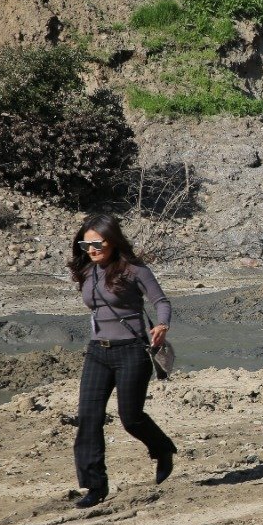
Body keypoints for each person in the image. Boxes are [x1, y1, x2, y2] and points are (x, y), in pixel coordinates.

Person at [67, 214, 177, 508]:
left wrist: (162, 326)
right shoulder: (88, 271)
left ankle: (162, 448)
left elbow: (161, 301)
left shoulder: (134, 269)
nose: (90, 249)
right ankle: (94, 486)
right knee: (88, 418)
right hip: (97, 352)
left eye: (97, 243)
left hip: (131, 351)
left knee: (131, 418)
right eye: (85, 244)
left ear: (112, 240)